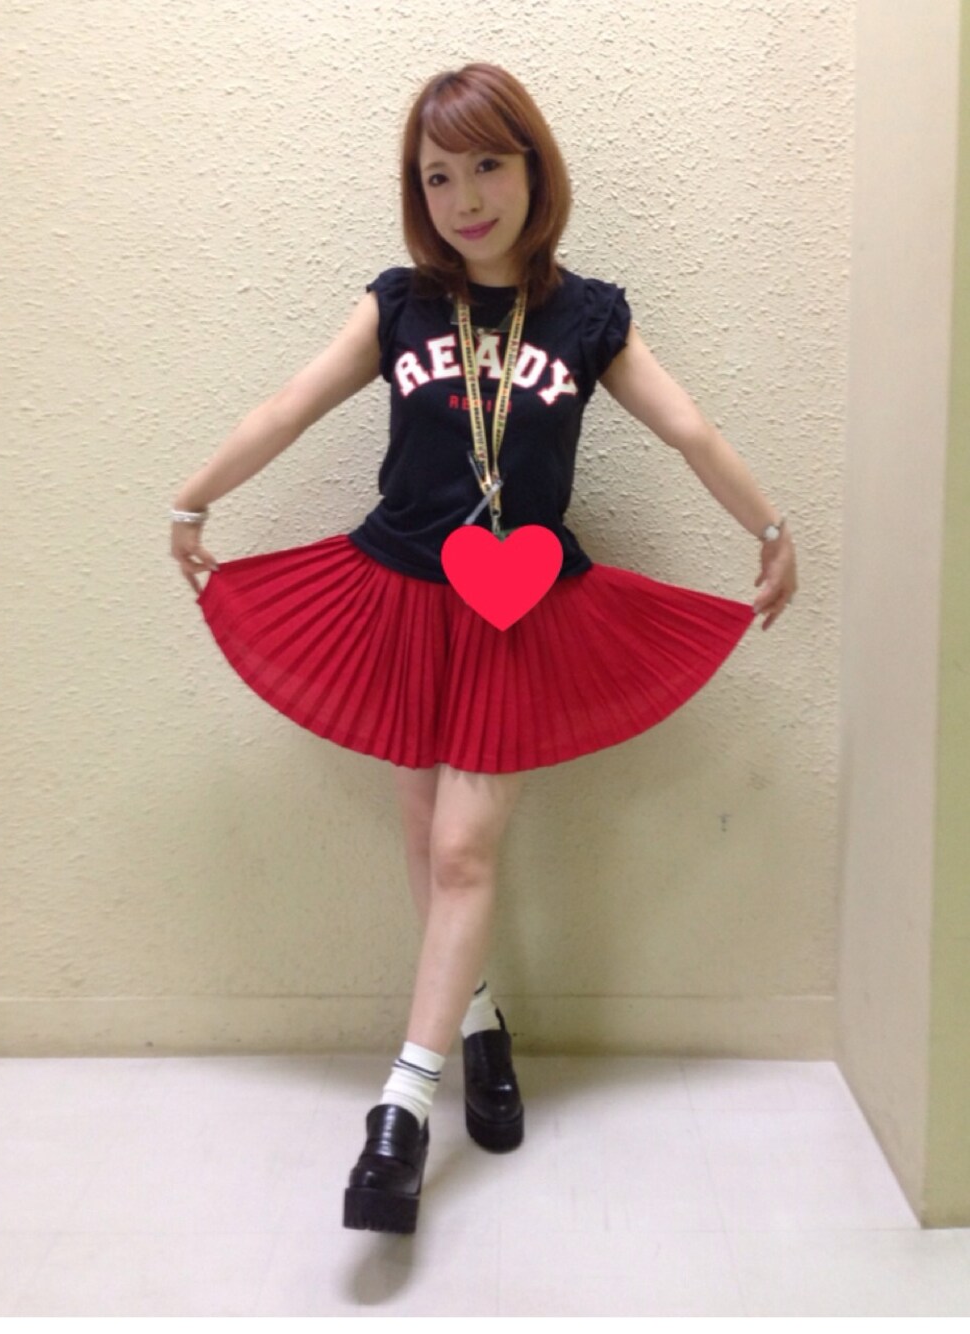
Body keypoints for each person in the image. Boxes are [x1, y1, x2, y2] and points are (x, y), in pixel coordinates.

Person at [169, 62, 797, 1237]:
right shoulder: (402, 304)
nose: (464, 198)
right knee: (426, 835)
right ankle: (477, 1028)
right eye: (437, 176)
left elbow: (688, 427)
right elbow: (290, 404)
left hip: (517, 609)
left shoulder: (587, 316)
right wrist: (193, 498)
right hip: (402, 593)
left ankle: (400, 1114)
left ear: (533, 170)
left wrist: (768, 527)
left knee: (462, 846)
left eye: (488, 166)